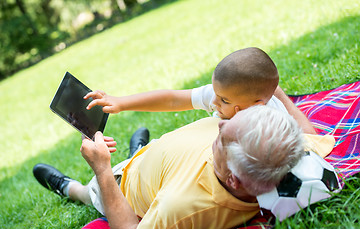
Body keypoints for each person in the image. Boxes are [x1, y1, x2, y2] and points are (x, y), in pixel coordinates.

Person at [33, 105, 335, 229]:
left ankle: (67, 187)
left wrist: (101, 169)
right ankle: (138, 148)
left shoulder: (179, 209)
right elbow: (311, 136)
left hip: (125, 185)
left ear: (232, 179)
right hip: (157, 160)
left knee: (91, 192)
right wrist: (277, 93)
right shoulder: (284, 149)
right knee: (142, 150)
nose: (219, 124)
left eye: (222, 137)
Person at [84, 47, 317, 134]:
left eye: (224, 100)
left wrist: (279, 94)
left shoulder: (273, 124)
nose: (214, 102)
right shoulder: (222, 96)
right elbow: (173, 99)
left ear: (255, 106)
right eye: (215, 93)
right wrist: (122, 103)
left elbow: (311, 140)